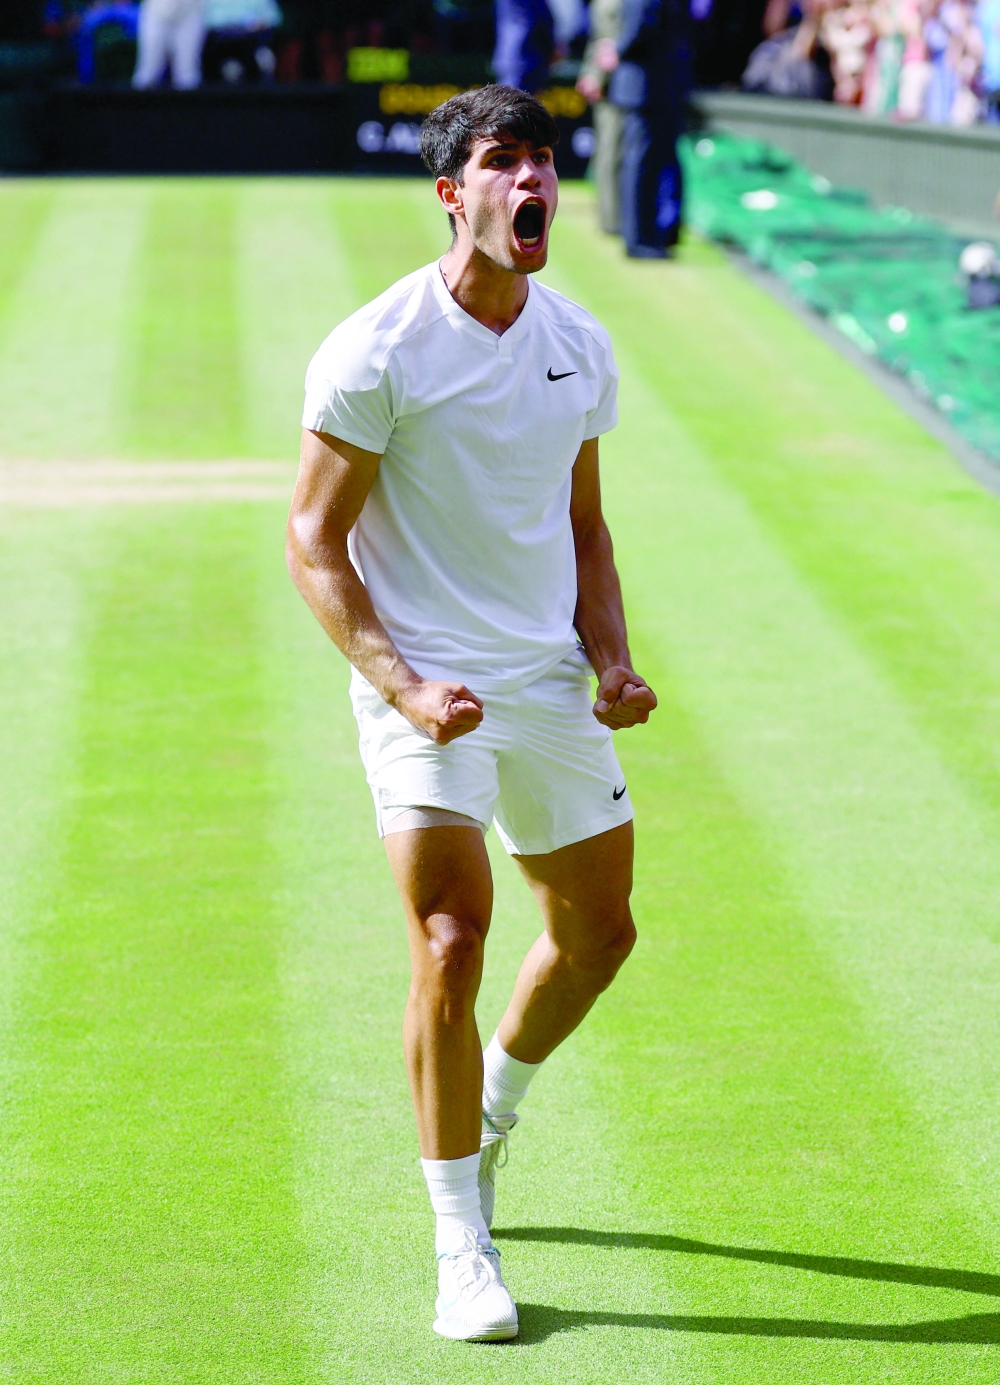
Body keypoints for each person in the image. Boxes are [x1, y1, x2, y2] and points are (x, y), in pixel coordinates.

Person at [287, 83, 657, 1342]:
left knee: (599, 933)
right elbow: (313, 539)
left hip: (548, 683)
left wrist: (609, 659)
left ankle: (490, 1107)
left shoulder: (578, 338)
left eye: (543, 160)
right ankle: (461, 1240)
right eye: (503, 162)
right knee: (450, 936)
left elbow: (584, 522)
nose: (530, 180)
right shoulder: (375, 348)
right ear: (454, 192)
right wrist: (401, 682)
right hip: (425, 683)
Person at [597, 0, 693, 257]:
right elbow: (640, 26)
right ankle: (638, 240)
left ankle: (645, 236)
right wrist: (618, 49)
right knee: (640, 165)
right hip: (646, 89)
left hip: (650, 88)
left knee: (645, 164)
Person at [578, 0, 626, 234]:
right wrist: (592, 74)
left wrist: (592, 74)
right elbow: (602, 41)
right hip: (613, 86)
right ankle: (612, 220)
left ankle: (615, 219)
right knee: (610, 153)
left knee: (615, 154)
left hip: (622, 83)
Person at [132, 0, 206, 88]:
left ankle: (188, 101)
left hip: (190, 12)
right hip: (156, 11)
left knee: (188, 76)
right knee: (147, 74)